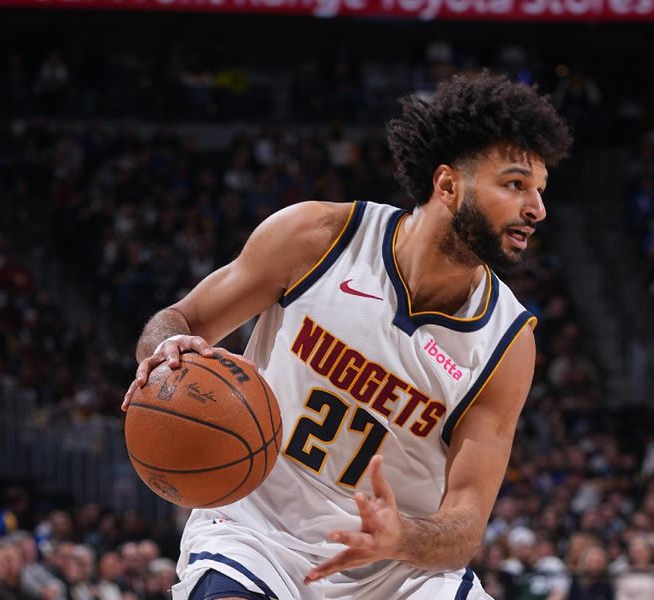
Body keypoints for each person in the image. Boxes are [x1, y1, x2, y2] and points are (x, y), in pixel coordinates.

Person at [122, 71, 571, 599]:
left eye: (539, 191)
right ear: (448, 185)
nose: (537, 209)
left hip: (396, 570)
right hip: (258, 534)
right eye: (515, 185)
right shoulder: (319, 238)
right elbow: (182, 319)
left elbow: (465, 526)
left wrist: (402, 535)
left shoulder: (507, 342)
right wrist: (163, 352)